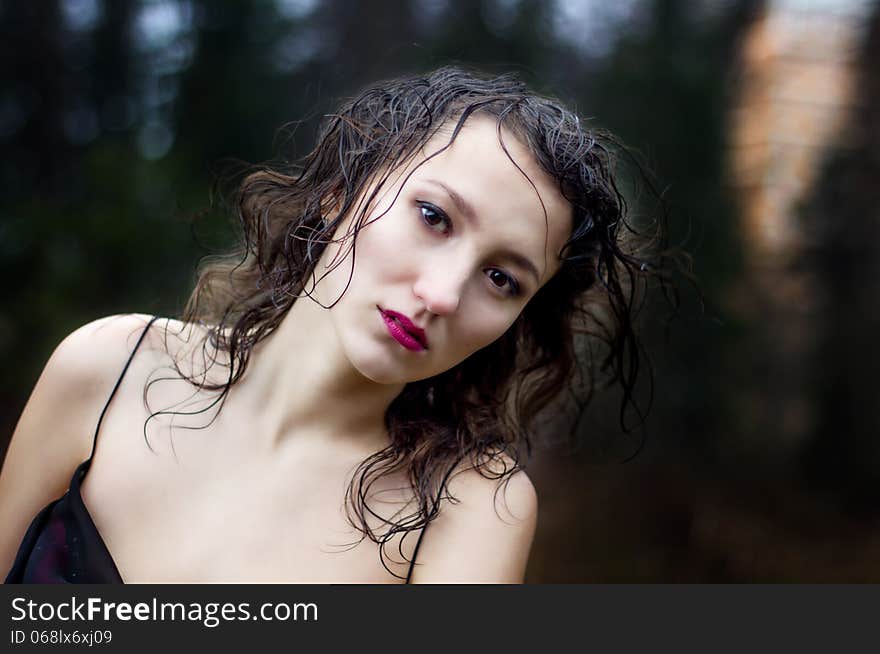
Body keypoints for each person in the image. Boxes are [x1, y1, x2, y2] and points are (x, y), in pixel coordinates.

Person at [0, 67, 659, 583]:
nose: (440, 294)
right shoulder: (107, 369)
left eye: (501, 279)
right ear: (342, 190)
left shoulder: (464, 511)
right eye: (433, 217)